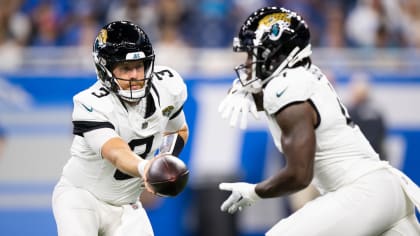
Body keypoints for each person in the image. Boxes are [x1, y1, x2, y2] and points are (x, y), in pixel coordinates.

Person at [217, 6, 420, 235]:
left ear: (275, 54)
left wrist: (255, 191)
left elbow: (299, 176)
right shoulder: (303, 77)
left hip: (363, 192)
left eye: (252, 54)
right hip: (388, 190)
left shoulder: (285, 88)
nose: (246, 64)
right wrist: (247, 91)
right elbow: (273, 102)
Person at [52, 20, 189, 236]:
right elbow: (115, 151)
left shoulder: (166, 87)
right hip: (82, 197)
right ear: (105, 69)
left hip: (127, 204)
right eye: (125, 68)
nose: (135, 75)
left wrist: (163, 159)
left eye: (139, 66)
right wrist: (147, 169)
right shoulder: (90, 102)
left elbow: (178, 130)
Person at [347, 75, 388, 161]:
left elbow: (348, 131)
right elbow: (383, 133)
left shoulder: (351, 112)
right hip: (376, 157)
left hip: (359, 158)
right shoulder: (377, 112)